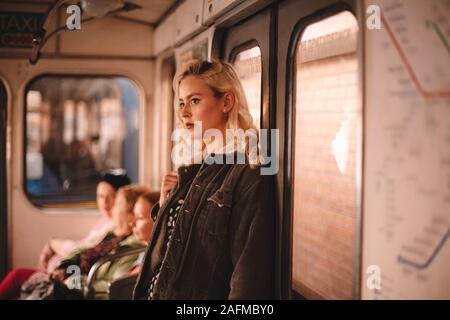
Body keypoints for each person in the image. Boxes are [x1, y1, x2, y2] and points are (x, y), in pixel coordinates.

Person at [133, 60, 275, 300]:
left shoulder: (247, 173)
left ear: (226, 102)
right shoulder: (193, 167)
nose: (184, 112)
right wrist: (165, 203)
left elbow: (248, 272)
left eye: (195, 100)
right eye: (181, 102)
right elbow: (173, 245)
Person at [21, 184, 151, 300]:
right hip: (69, 277)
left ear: (130, 214)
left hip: (78, 286)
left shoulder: (133, 246)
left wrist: (72, 281)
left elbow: (116, 285)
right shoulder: (111, 233)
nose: (112, 209)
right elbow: (81, 250)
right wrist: (64, 267)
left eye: (117, 204)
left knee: (20, 279)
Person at [38, 170, 131, 273]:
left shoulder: (117, 227)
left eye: (111, 196)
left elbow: (83, 252)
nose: (104, 202)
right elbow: (84, 244)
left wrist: (53, 244)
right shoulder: (104, 220)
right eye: (100, 196)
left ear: (121, 199)